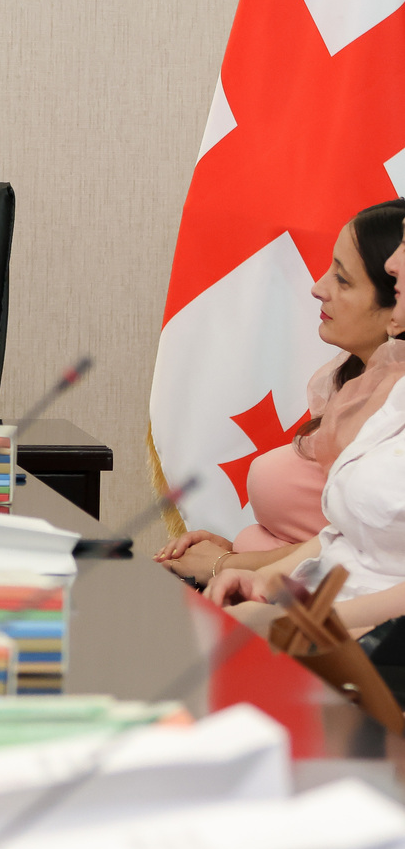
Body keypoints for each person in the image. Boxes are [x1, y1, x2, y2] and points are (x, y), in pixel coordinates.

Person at [156, 199, 405, 585]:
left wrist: (225, 566)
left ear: (396, 305)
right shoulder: (353, 383)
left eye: (343, 279)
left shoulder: (392, 416)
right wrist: (236, 553)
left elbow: (352, 552)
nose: (317, 287)